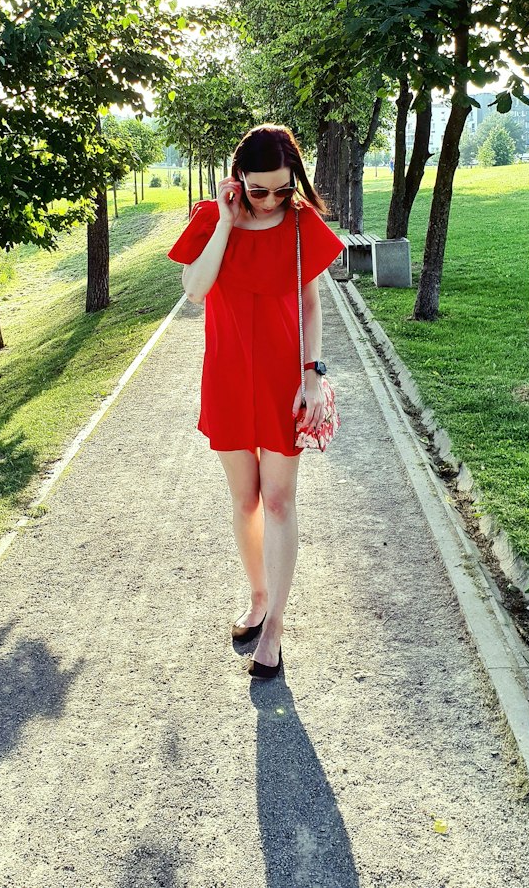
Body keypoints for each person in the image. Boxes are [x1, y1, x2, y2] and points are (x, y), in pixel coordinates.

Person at [167, 124, 345, 680]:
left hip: (282, 382)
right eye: (259, 189)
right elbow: (195, 291)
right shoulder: (210, 219)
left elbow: (312, 307)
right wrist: (226, 222)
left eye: (281, 190)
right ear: (237, 178)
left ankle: (276, 628)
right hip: (226, 377)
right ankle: (259, 595)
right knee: (244, 501)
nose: (270, 200)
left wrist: (312, 377)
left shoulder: (300, 224)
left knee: (279, 502)